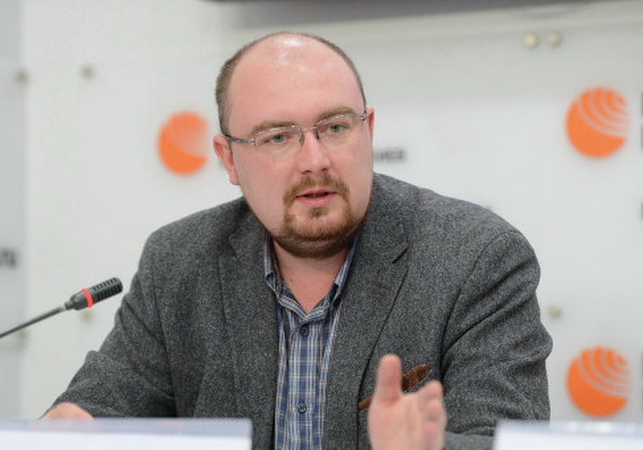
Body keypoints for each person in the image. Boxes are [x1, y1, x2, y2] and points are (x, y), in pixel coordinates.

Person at [44, 32, 552, 449]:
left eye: (334, 127)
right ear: (228, 159)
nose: (314, 160)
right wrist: (72, 427)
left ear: (369, 131)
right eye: (277, 137)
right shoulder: (178, 261)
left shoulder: (476, 258)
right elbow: (101, 407)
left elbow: (505, 439)